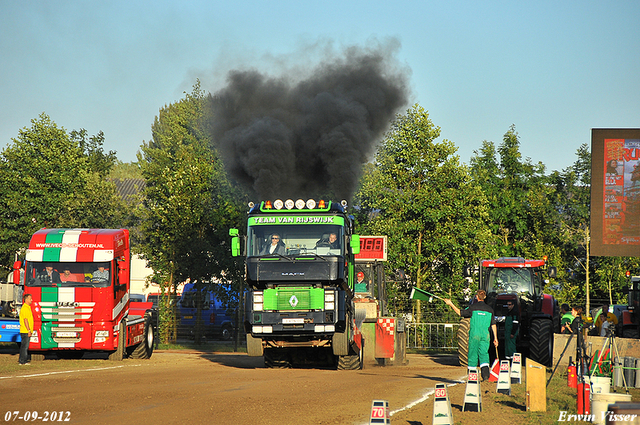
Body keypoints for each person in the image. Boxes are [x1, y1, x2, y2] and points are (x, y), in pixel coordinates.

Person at [444, 290, 498, 381]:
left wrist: (450, 304)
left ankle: (472, 377)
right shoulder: (490, 310)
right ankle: (485, 377)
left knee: (472, 355)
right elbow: (493, 325)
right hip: (485, 336)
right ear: (485, 297)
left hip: (474, 335)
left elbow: (460, 313)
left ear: (477, 297)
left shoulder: (472, 308)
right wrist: (495, 338)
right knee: (484, 355)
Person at [18, 293, 34, 365]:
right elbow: (25, 320)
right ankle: (22, 361)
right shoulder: (25, 308)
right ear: (26, 299)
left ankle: (23, 360)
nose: (31, 300)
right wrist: (29, 330)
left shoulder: (27, 307)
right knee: (24, 346)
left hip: (26, 330)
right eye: (30, 299)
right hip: (25, 331)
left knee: (25, 346)